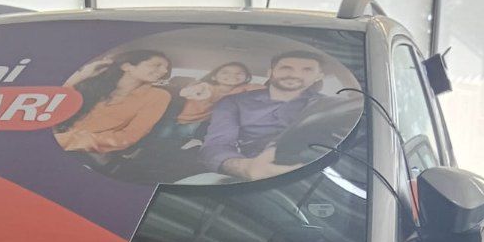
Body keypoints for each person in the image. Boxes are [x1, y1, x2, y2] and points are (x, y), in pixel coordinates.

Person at [199, 50, 328, 180]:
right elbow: (217, 144)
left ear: (319, 76)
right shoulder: (233, 102)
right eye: (286, 68)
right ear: (270, 72)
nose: (294, 74)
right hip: (247, 169)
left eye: (307, 70)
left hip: (316, 173)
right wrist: (244, 168)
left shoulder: (329, 106)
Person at [55, 51, 172, 155]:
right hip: (58, 133)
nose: (164, 71)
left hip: (86, 151)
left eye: (165, 68)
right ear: (127, 66)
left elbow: (129, 136)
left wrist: (68, 141)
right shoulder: (99, 84)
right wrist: (81, 76)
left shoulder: (158, 96)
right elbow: (53, 103)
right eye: (156, 65)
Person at [165, 61, 257, 142]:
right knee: (164, 136)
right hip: (175, 118)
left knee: (180, 139)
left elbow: (260, 90)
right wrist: (195, 92)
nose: (232, 75)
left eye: (239, 73)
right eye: (225, 72)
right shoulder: (205, 86)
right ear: (214, 77)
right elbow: (185, 92)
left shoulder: (241, 91)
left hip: (198, 122)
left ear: (246, 77)